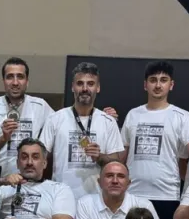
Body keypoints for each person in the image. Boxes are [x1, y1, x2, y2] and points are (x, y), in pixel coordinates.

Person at [121, 61, 189, 219]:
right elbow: (123, 153)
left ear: (171, 84)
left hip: (166, 195)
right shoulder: (133, 114)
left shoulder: (182, 116)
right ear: (145, 85)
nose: (158, 85)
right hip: (134, 193)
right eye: (153, 80)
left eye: (163, 80)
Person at [39, 62, 126, 199]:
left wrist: (99, 156)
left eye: (90, 84)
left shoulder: (108, 122)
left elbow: (115, 162)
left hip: (97, 198)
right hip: (61, 197)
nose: (85, 88)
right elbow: (41, 157)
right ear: (72, 87)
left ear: (98, 88)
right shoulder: (55, 119)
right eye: (80, 83)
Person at [0, 57, 55, 180]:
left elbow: (59, 133)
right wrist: (3, 138)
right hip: (0, 181)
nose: (15, 82)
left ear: (27, 81)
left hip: (30, 181)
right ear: (3, 81)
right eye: (10, 77)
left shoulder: (41, 106)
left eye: (20, 77)